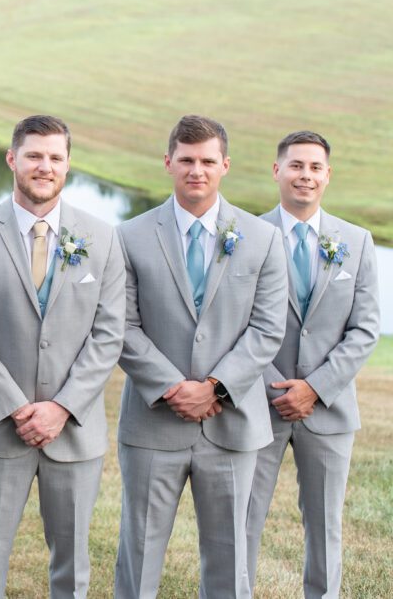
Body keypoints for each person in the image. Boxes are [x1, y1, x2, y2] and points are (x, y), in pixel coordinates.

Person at [114, 114, 287, 598]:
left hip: (231, 423)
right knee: (138, 555)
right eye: (186, 160)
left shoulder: (262, 237)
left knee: (231, 562)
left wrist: (215, 388)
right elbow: (121, 326)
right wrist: (174, 389)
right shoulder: (128, 236)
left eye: (207, 161)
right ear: (168, 162)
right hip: (153, 424)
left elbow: (267, 328)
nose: (197, 170)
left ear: (225, 165)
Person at [0, 115, 125, 598]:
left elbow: (108, 334)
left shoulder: (102, 237)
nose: (43, 166)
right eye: (33, 155)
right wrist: (15, 407)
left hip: (73, 430)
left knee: (72, 564)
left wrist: (61, 407)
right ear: (13, 159)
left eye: (55, 157)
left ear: (68, 165)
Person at [246, 131, 380, 598]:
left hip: (329, 409)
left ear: (327, 175)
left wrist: (315, 388)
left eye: (315, 167)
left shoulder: (358, 242)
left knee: (325, 526)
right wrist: (274, 386)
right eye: (296, 165)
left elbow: (364, 330)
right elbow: (235, 324)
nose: (306, 175)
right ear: (277, 170)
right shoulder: (245, 236)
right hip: (257, 406)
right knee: (242, 520)